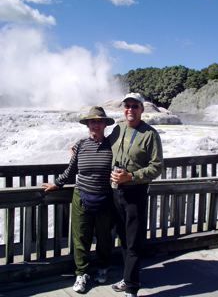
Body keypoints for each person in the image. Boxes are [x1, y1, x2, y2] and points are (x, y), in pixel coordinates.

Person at [42, 106, 115, 294]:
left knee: (104, 238)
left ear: (105, 125)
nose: (95, 125)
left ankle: (103, 267)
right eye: (92, 121)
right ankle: (81, 274)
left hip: (105, 199)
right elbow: (71, 170)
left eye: (99, 121)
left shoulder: (113, 146)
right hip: (81, 197)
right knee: (81, 238)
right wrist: (57, 184)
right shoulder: (81, 145)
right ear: (87, 124)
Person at [109, 93, 163, 297]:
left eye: (134, 106)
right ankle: (127, 278)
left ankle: (131, 288)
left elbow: (157, 167)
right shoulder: (117, 128)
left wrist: (131, 176)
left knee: (133, 241)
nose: (130, 109)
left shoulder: (150, 134)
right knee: (123, 238)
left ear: (142, 109)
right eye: (127, 106)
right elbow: (105, 150)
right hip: (116, 192)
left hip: (135, 193)